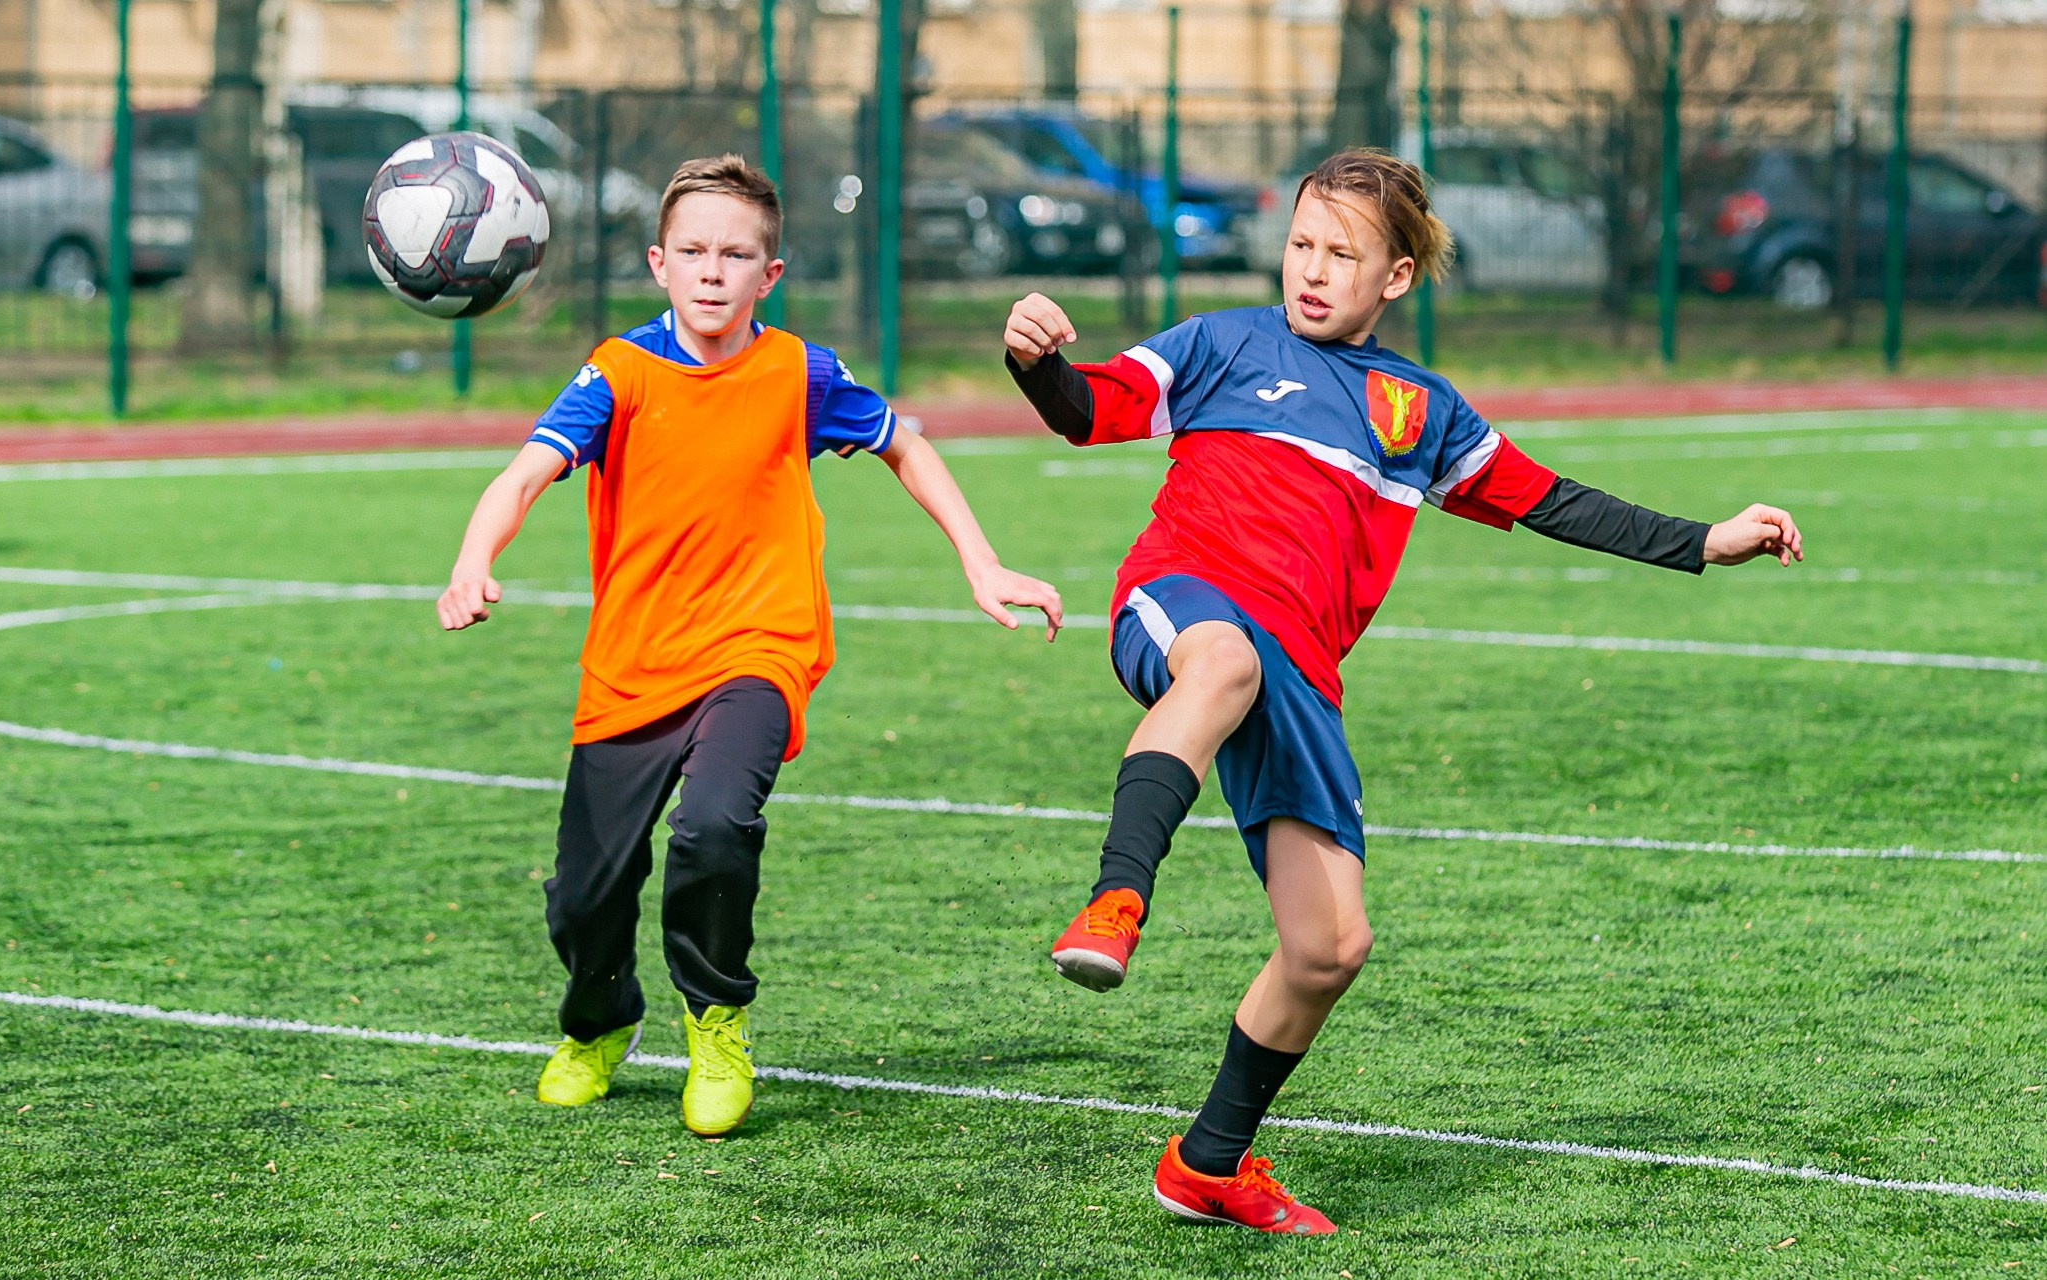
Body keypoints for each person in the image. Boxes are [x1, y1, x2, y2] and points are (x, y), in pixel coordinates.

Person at [1003, 148, 1802, 1233]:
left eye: (1341, 253)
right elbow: (1083, 407)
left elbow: (1550, 499)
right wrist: (1036, 359)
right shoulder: (1217, 341)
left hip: (1302, 674)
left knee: (1329, 944)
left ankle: (1206, 1163)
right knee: (1223, 660)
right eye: (1299, 244)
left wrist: (1703, 540)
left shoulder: (1415, 408)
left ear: (1393, 278)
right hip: (1181, 600)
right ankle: (1115, 897)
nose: (1311, 270)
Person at [438, 153, 1061, 1139]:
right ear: (658, 263)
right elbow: (520, 476)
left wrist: (979, 562)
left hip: (759, 647)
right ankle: (599, 1020)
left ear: (769, 275)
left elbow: (906, 443)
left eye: (736, 253)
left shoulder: (798, 371)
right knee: (584, 894)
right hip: (632, 665)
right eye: (692, 250)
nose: (712, 270)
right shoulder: (618, 372)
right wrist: (472, 560)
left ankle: (714, 1016)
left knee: (714, 826)